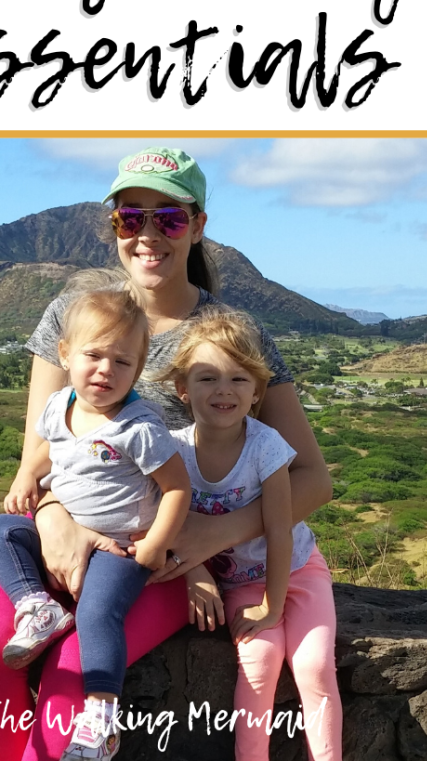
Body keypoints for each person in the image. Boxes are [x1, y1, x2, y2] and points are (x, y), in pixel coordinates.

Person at [0, 146, 333, 761]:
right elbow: (39, 454)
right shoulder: (74, 315)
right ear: (114, 227)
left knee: (74, 682)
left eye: (170, 218)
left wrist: (207, 542)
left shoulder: (231, 335)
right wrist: (55, 521)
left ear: (199, 226)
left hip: (156, 556)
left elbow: (311, 477)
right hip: (63, 533)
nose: (148, 235)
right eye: (131, 218)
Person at [0, 287, 190, 760]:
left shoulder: (138, 428)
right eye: (94, 355)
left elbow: (178, 489)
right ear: (65, 354)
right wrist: (25, 478)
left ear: (138, 369)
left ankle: (101, 718)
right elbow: (42, 448)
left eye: (123, 362)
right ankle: (38, 607)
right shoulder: (61, 405)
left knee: (98, 614)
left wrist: (156, 545)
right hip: (67, 530)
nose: (106, 371)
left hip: (120, 546)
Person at [161, 311, 342, 761]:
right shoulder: (174, 451)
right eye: (207, 378)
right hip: (240, 582)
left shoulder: (266, 447)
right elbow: (164, 527)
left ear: (258, 391)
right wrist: (194, 574)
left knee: (315, 665)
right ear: (183, 389)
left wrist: (273, 606)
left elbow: (279, 530)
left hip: (297, 570)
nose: (224, 389)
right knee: (259, 665)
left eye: (239, 379)